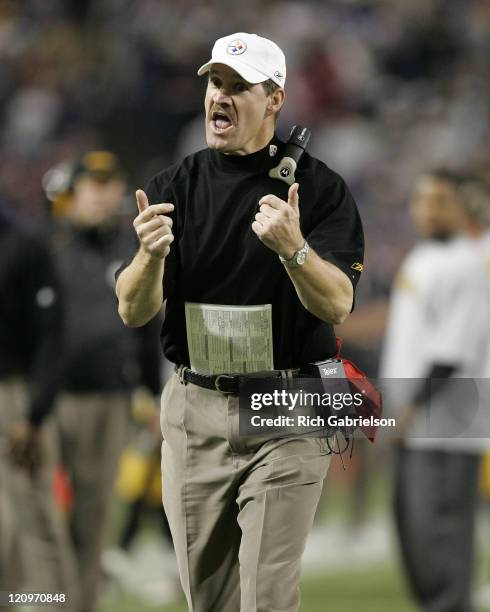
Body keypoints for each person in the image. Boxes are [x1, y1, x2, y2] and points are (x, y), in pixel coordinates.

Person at [116, 32, 364, 612]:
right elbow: (132, 308)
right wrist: (149, 257)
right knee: (208, 599)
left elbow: (337, 305)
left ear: (274, 99)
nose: (219, 98)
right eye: (214, 84)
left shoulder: (319, 190)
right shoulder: (174, 186)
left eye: (238, 87)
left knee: (266, 596)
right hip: (194, 406)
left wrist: (294, 249)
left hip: (287, 405)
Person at [45, 151, 162, 612]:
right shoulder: (48, 246)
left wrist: (152, 391)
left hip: (111, 398)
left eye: (108, 184)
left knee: (93, 516)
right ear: (72, 193)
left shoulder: (132, 247)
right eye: (91, 185)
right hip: (48, 399)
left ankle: (80, 605)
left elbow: (148, 324)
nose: (100, 194)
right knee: (38, 512)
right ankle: (37, 596)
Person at [380, 170, 490, 612]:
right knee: (413, 534)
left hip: (446, 426)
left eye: (440, 200)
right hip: (415, 422)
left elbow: (452, 352)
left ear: (462, 208)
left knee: (438, 541)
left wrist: (409, 408)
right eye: (422, 199)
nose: (428, 208)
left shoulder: (467, 263)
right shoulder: (421, 258)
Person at [0, 207, 79, 611]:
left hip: (14, 395)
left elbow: (52, 337)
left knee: (35, 518)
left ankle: (52, 604)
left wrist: (33, 415)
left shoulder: (24, 244)